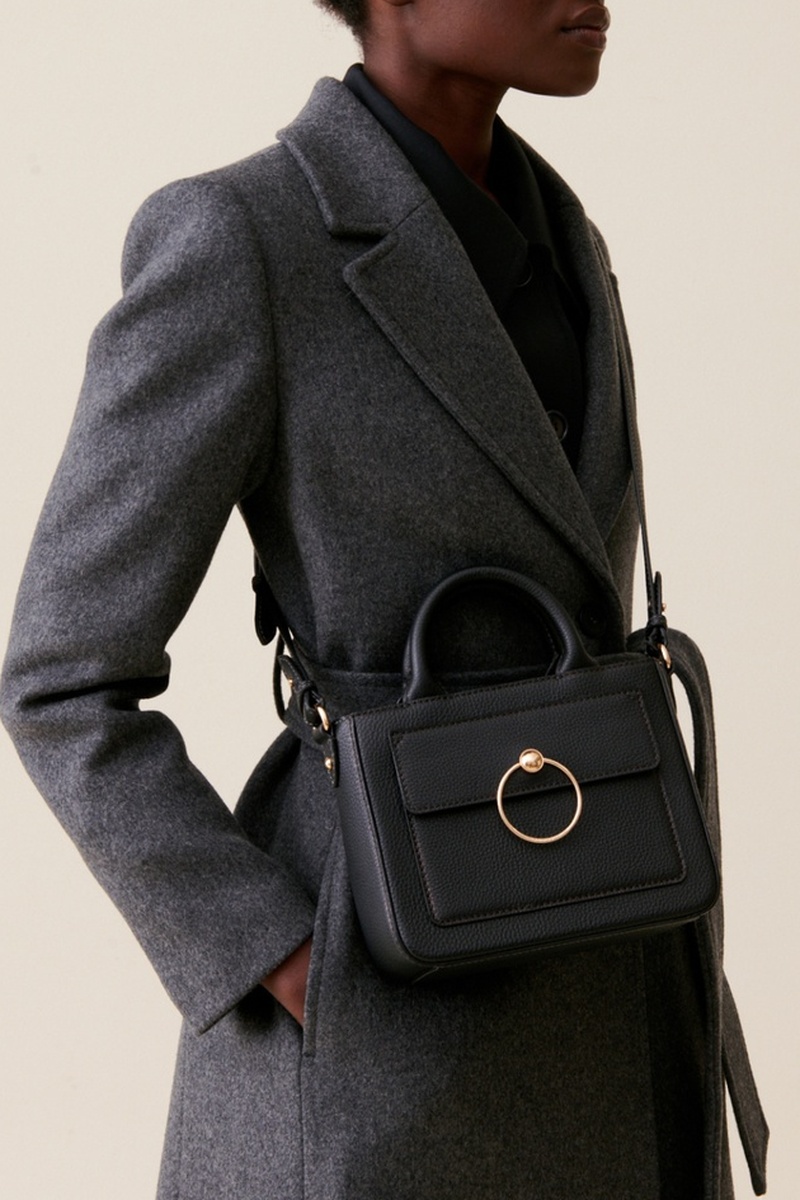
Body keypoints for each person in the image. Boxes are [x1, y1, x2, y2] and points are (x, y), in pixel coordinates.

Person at [0, 1, 767, 1197]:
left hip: (611, 959)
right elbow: (60, 677)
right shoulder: (243, 239)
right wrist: (281, 956)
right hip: (389, 1014)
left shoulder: (561, 235)